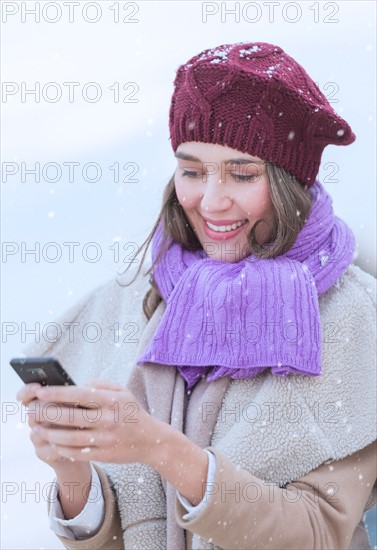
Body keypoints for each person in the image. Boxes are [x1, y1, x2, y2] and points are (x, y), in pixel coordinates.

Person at [17, 41, 376, 550]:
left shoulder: (357, 320)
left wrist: (162, 449)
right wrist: (71, 467)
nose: (210, 201)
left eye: (243, 174)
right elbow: (126, 537)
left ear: (289, 181)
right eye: (192, 171)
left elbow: (317, 534)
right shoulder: (133, 301)